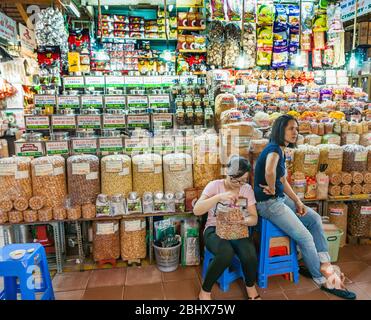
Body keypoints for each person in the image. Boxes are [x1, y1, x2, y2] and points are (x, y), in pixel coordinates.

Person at [253, 114, 356, 300]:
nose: (295, 132)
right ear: (280, 130)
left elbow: (282, 179)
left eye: (297, 129)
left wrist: (298, 201)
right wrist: (270, 187)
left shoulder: (281, 150)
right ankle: (320, 278)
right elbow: (269, 170)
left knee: (314, 218)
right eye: (291, 128)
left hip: (279, 199)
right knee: (305, 237)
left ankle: (324, 264)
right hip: (268, 204)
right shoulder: (274, 149)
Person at [193, 155, 260, 300]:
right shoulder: (214, 186)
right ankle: (204, 292)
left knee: (249, 253)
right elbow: (197, 210)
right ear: (227, 172)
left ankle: (251, 289)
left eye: (243, 180)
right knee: (226, 253)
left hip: (237, 228)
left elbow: (254, 219)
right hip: (214, 229)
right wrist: (218, 197)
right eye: (235, 179)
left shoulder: (246, 189)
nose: (238, 184)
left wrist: (243, 220)